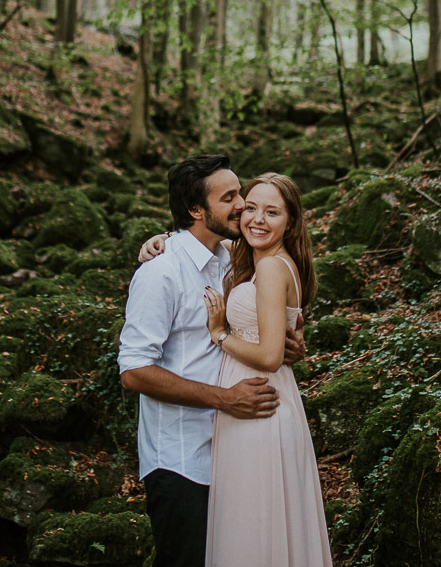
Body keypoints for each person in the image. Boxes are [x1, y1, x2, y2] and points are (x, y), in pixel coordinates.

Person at [136, 172, 333, 567]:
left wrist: (219, 333)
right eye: (244, 202)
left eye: (271, 211)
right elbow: (199, 240)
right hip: (205, 431)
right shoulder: (234, 253)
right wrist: (161, 241)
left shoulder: (269, 264)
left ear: (291, 221)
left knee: (257, 526)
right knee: (249, 527)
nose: (250, 212)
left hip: (256, 403)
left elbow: (273, 351)